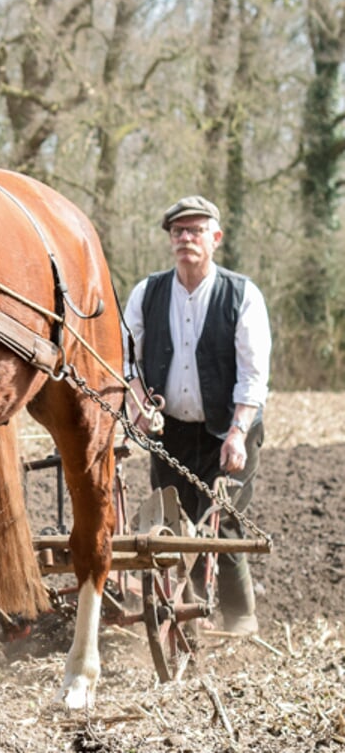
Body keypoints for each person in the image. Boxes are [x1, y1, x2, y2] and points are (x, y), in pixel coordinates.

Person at [123, 195, 271, 636]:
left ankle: (239, 615)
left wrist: (238, 433)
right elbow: (130, 358)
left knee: (222, 520)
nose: (186, 238)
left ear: (216, 238)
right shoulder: (148, 292)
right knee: (173, 524)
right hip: (172, 432)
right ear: (170, 239)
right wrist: (139, 404)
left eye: (196, 230)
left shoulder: (241, 294)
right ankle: (184, 617)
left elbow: (253, 372)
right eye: (178, 231)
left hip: (229, 428)